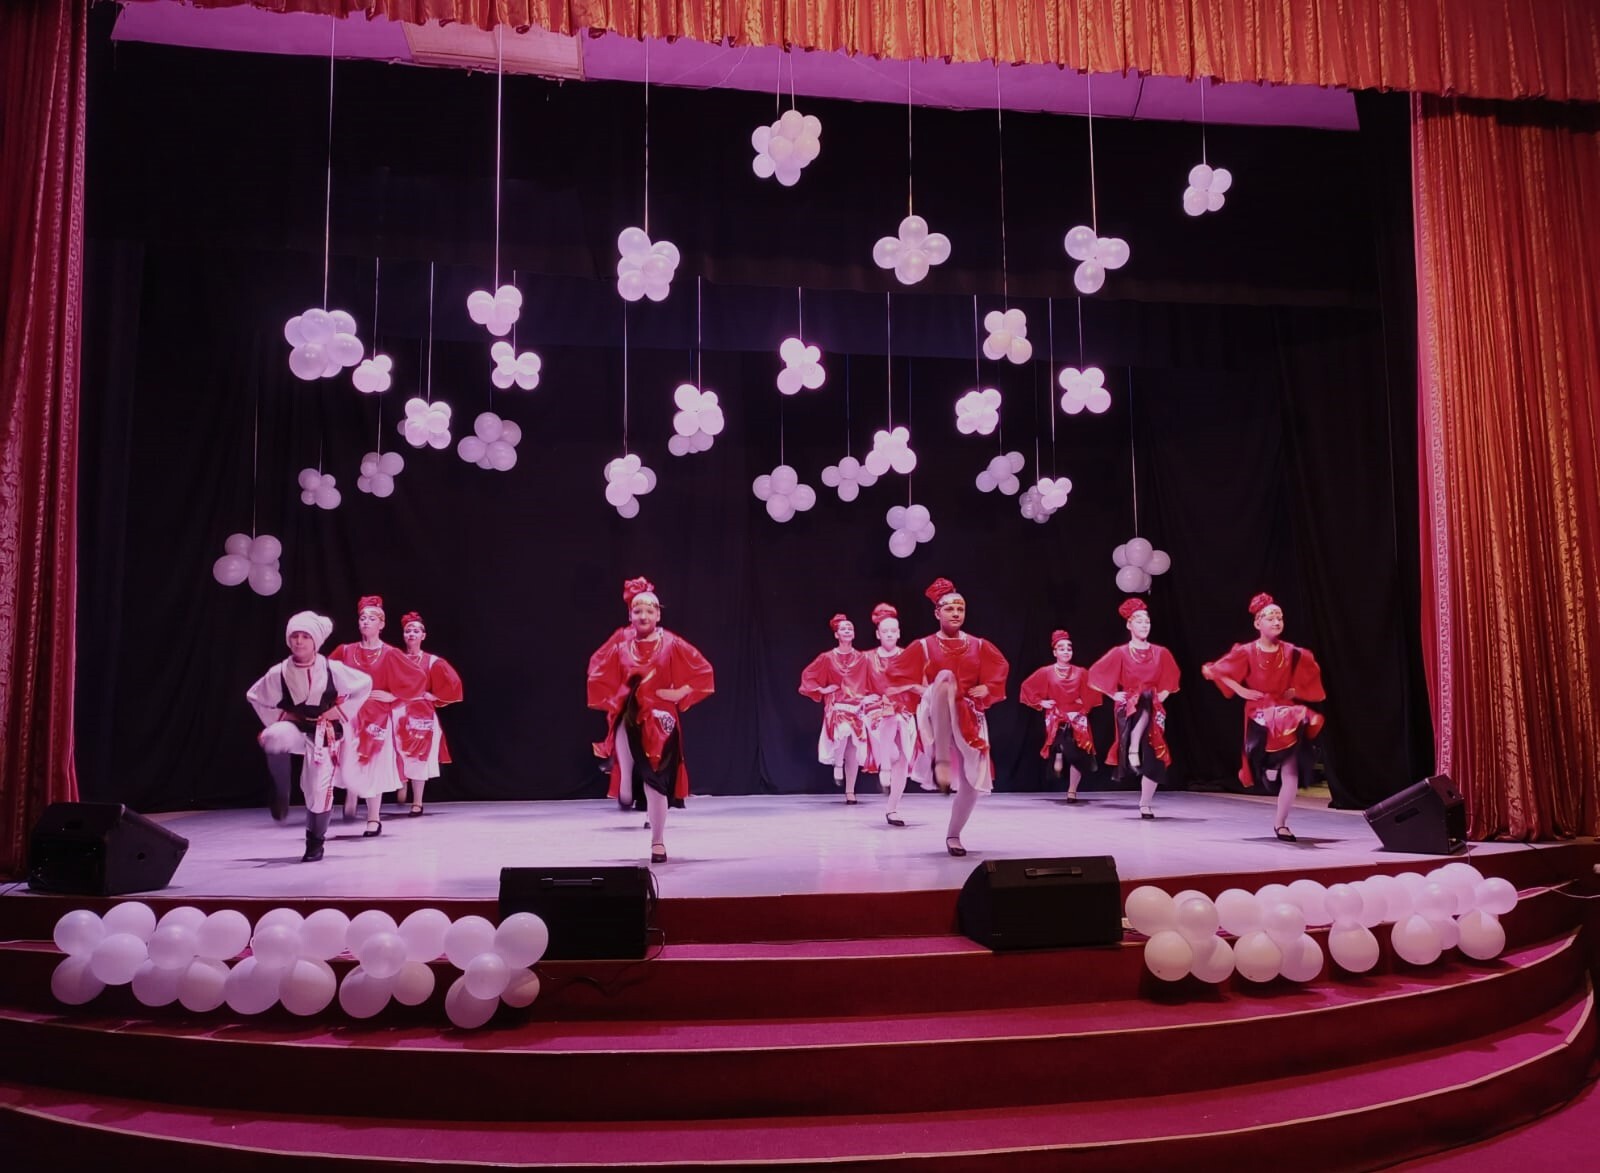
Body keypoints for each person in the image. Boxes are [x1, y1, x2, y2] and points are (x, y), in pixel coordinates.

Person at [587, 577, 715, 863]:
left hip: (661, 722)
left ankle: (658, 841)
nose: (643, 616)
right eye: (637, 611)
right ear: (630, 616)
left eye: (649, 611)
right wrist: (618, 695)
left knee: (656, 781)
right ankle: (625, 780)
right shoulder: (621, 646)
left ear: (658, 615)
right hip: (631, 715)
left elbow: (704, 671)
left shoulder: (671, 643)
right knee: (622, 722)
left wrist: (679, 692)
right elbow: (597, 671)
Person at [890, 578, 1009, 856]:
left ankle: (953, 835)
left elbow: (1000, 670)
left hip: (968, 716)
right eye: (949, 608)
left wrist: (988, 687)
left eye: (960, 609)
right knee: (944, 677)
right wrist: (923, 690)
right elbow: (895, 673)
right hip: (935, 711)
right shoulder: (923, 646)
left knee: (971, 785)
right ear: (937, 613)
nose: (956, 613)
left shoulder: (979, 645)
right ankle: (941, 757)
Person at [246, 611, 373, 862]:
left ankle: (315, 841)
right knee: (274, 735)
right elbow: (255, 696)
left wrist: (339, 711)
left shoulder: (332, 668)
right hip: (297, 729)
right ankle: (281, 791)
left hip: (324, 733)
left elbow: (365, 684)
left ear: (316, 641)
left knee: (317, 791)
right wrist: (283, 717)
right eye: (295, 636)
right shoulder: (279, 672)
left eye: (305, 636)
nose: (299, 641)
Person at [1202, 592, 1327, 841]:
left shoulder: (1292, 652)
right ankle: (1270, 763)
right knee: (1272, 739)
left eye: (1280, 617)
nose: (1277, 622)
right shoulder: (1247, 651)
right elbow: (1216, 670)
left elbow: (1311, 676)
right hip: (1259, 710)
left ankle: (1281, 823)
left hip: (1285, 711)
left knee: (1291, 764)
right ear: (1258, 623)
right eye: (1271, 618)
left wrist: (1295, 691)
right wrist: (1241, 690)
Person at [328, 595, 427, 839]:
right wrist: (339, 698)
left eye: (371, 618)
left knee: (373, 764)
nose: (365, 621)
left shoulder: (390, 653)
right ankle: (349, 794)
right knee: (344, 760)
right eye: (362, 618)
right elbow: (324, 675)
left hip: (377, 716)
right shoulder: (346, 651)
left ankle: (373, 818)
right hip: (350, 715)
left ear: (381, 624)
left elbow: (417, 679)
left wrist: (394, 697)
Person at [1088, 598, 1181, 820]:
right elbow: (1095, 673)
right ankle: (1132, 747)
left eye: (1147, 621)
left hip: (1152, 706)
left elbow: (1171, 679)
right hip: (1129, 706)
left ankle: (1145, 802)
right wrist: (1113, 694)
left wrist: (1163, 694)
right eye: (1139, 621)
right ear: (1129, 624)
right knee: (1143, 700)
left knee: (1155, 757)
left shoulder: (1161, 653)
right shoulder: (1120, 652)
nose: (1144, 625)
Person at [393, 611, 465, 818]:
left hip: (422, 714)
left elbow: (453, 683)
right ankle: (401, 783)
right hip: (398, 712)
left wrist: (435, 697)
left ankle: (417, 802)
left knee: (419, 758)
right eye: (408, 631)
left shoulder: (432, 661)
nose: (411, 634)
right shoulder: (395, 658)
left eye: (416, 631)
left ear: (423, 635)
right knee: (395, 752)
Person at [798, 614, 875, 804]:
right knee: (843, 730)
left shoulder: (863, 658)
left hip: (856, 704)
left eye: (850, 628)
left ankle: (850, 791)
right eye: (843, 628)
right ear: (836, 634)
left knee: (853, 749)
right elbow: (808, 675)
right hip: (837, 704)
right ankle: (838, 764)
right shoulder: (827, 658)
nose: (847, 630)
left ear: (854, 634)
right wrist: (823, 689)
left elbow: (873, 679)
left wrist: (870, 697)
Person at [1018, 629, 1101, 802]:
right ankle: (1059, 752)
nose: (1066, 651)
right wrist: (1041, 702)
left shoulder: (1081, 672)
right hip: (1056, 715)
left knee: (1078, 755)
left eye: (1069, 648)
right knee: (1061, 744)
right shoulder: (1046, 672)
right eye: (1061, 648)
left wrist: (1084, 702)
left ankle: (1072, 791)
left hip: (1077, 716)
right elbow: (1027, 688)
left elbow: (1094, 690)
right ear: (1054, 652)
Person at [863, 602, 918, 827]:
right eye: (884, 631)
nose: (889, 634)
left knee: (902, 759)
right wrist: (863, 698)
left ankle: (892, 809)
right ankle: (884, 765)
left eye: (893, 630)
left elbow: (919, 684)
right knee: (890, 718)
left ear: (899, 633)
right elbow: (853, 684)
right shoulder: (867, 658)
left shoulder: (909, 656)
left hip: (903, 710)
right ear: (878, 634)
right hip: (877, 711)